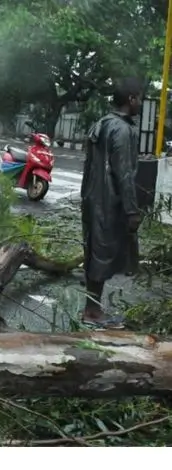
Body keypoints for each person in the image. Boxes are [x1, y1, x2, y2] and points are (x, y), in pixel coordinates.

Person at [79, 78, 144, 330]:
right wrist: (131, 210)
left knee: (95, 252)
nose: (140, 103)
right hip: (110, 202)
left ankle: (91, 308)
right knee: (103, 255)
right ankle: (92, 312)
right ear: (131, 99)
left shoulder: (102, 123)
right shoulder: (122, 130)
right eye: (139, 98)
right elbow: (124, 173)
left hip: (93, 199)